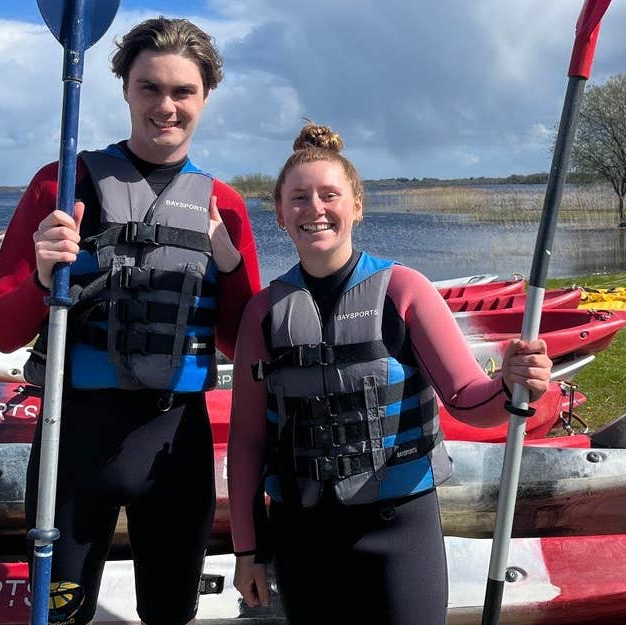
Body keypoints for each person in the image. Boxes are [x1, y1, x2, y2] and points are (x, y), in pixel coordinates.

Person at [0, 17, 261, 625]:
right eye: (149, 88)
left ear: (205, 97)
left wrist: (232, 265)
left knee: (169, 613)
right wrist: (40, 271)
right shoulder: (62, 185)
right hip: (75, 437)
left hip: (174, 442)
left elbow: (242, 343)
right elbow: (1, 331)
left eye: (182, 91)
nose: (166, 106)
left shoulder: (225, 206)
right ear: (126, 90)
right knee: (61, 615)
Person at [227, 124, 552, 625]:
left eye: (328, 194)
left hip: (398, 526)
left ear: (356, 205)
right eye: (299, 198)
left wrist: (511, 383)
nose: (314, 208)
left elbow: (470, 399)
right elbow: (248, 441)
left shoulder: (404, 290)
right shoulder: (264, 313)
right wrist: (247, 550)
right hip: (302, 534)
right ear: (279, 215)